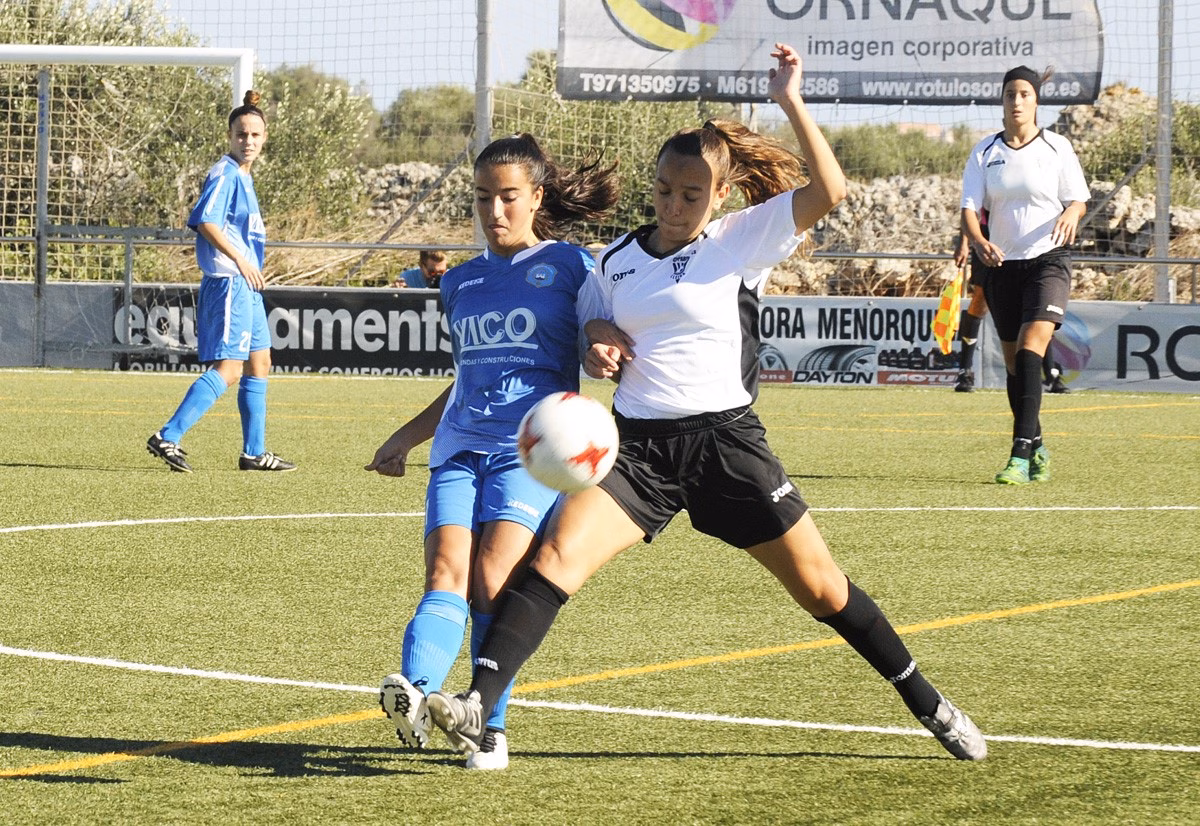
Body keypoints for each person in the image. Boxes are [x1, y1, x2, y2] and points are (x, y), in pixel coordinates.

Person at [416, 43, 987, 765]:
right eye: (663, 190)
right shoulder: (616, 260)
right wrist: (600, 342)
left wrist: (791, 101)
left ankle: (927, 702)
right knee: (554, 558)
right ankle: (480, 712)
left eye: (691, 195)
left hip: (726, 446)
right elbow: (598, 321)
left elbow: (831, 191)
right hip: (640, 453)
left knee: (822, 590)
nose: (675, 205)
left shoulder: (739, 241)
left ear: (719, 196)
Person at [366, 134, 618, 770]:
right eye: (483, 198)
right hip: (458, 447)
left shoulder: (569, 265)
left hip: (531, 452)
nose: (495, 211)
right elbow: (467, 375)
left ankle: (490, 725)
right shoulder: (461, 282)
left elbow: (598, 331)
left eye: (508, 197)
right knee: (444, 573)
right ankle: (417, 698)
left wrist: (600, 350)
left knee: (492, 577)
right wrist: (406, 436)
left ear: (535, 197)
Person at [146, 91, 295, 474]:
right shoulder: (225, 173)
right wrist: (241, 260)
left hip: (247, 287)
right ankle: (168, 435)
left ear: (265, 138)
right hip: (230, 283)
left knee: (260, 362)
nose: (248, 141)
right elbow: (205, 221)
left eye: (255, 135)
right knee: (229, 369)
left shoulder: (244, 177)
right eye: (241, 134)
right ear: (230, 137)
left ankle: (253, 452)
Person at [960, 66, 1088, 483]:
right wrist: (978, 241)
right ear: (1002, 100)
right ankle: (1037, 443)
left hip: (1048, 261)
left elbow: (1078, 200)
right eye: (1010, 94)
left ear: (1036, 101)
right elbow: (968, 209)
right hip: (1000, 267)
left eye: (1025, 94)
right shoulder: (984, 152)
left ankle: (1017, 454)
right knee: (1016, 366)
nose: (1017, 101)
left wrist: (1071, 211)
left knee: (1033, 348)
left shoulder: (1057, 147)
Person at [953, 228, 1071, 395]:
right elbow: (970, 208)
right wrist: (963, 243)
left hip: (1030, 241)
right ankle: (964, 370)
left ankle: (1050, 372)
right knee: (979, 301)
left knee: (1038, 308)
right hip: (989, 240)